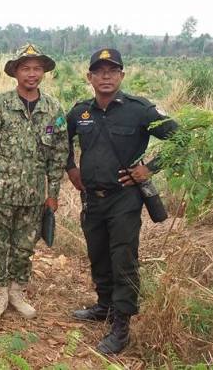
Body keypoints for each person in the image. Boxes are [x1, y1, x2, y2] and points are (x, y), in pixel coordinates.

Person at [66, 48, 178, 354]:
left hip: (124, 199)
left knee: (123, 259)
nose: (106, 77)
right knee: (98, 253)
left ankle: (121, 325)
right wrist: (71, 168)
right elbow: (61, 142)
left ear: (122, 75)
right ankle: (104, 305)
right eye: (99, 72)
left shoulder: (140, 110)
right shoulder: (80, 112)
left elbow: (181, 139)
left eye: (112, 71)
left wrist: (150, 168)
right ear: (89, 77)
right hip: (92, 198)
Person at [0, 43, 68, 321]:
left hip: (34, 195)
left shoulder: (53, 109)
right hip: (1, 193)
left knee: (25, 247)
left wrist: (52, 193)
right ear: (15, 72)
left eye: (37, 68)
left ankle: (17, 292)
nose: (32, 74)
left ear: (43, 72)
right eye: (26, 68)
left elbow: (59, 154)